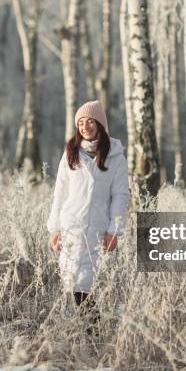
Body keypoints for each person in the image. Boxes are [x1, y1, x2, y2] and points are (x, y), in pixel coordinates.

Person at [47, 100, 130, 332]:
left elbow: (121, 196)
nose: (85, 127)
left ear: (100, 124)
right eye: (81, 123)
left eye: (90, 122)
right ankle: (86, 334)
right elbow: (60, 192)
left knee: (88, 284)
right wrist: (54, 228)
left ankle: (93, 333)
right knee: (73, 283)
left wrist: (115, 230)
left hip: (97, 230)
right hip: (70, 228)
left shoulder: (115, 157)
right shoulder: (71, 153)